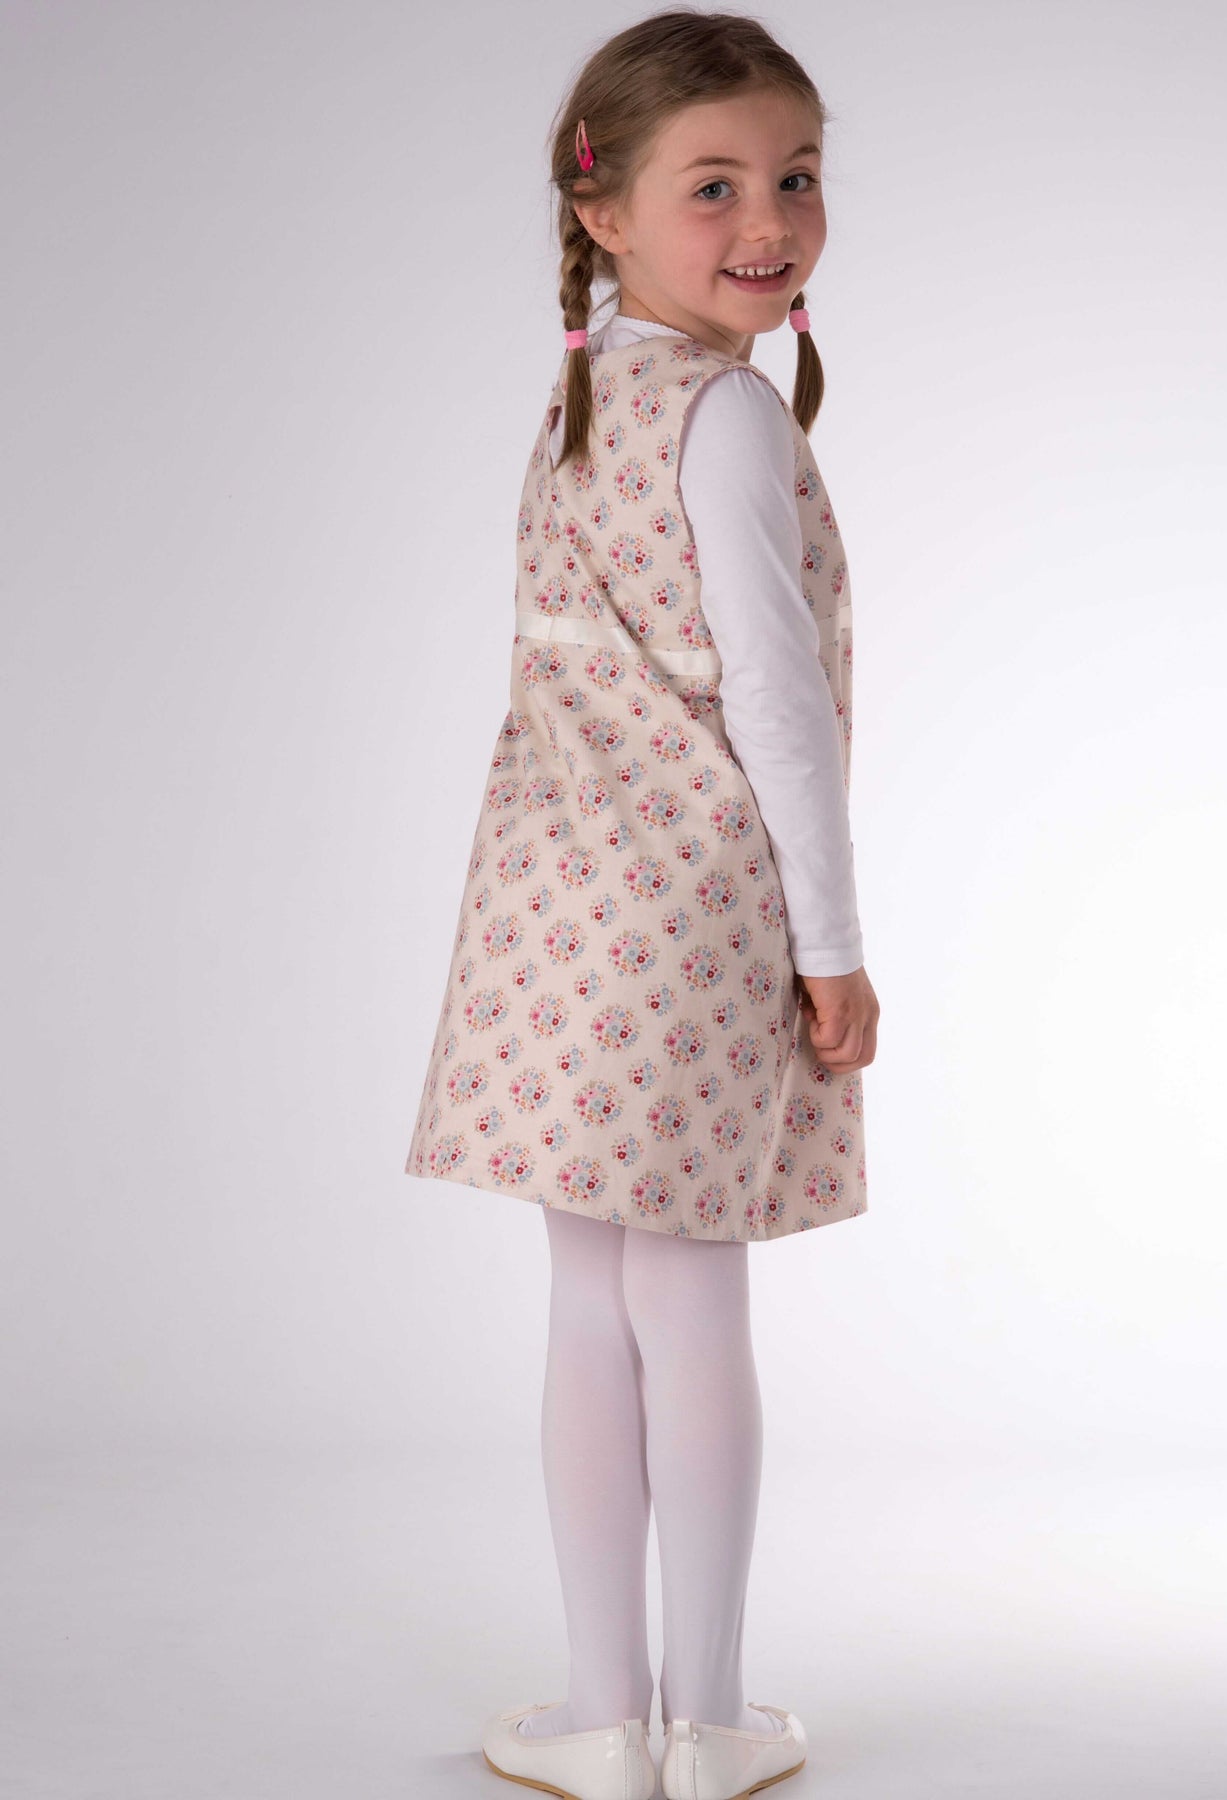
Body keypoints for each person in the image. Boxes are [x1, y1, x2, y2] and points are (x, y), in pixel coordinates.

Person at [403, 12, 880, 1799]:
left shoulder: (587, 391)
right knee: (688, 1314)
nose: (768, 219)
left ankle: (607, 1718)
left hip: (552, 921)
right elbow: (775, 705)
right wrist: (831, 948)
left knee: (589, 1308)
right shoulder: (727, 413)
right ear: (600, 210)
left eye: (795, 177)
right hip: (684, 920)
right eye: (715, 186)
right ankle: (712, 1716)